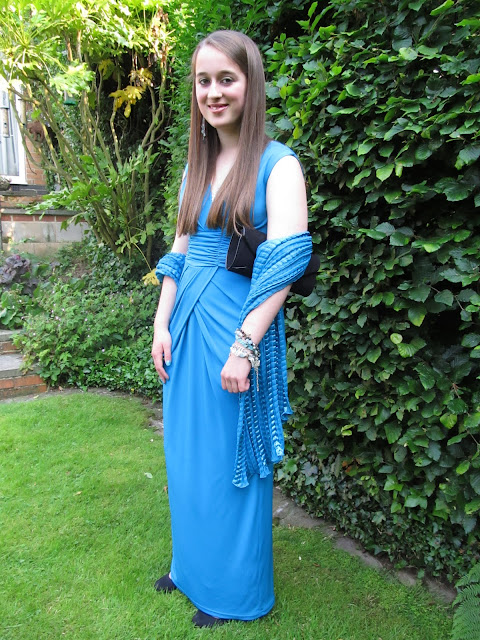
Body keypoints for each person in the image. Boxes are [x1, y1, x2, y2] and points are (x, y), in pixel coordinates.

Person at [151, 30, 312, 628]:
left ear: (251, 84)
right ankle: (190, 568)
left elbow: (285, 266)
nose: (213, 92)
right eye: (203, 81)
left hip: (234, 330)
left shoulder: (278, 164)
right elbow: (179, 250)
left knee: (229, 465)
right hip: (186, 327)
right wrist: (161, 322)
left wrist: (245, 347)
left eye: (226, 79)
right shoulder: (197, 166)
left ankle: (234, 594)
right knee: (186, 456)